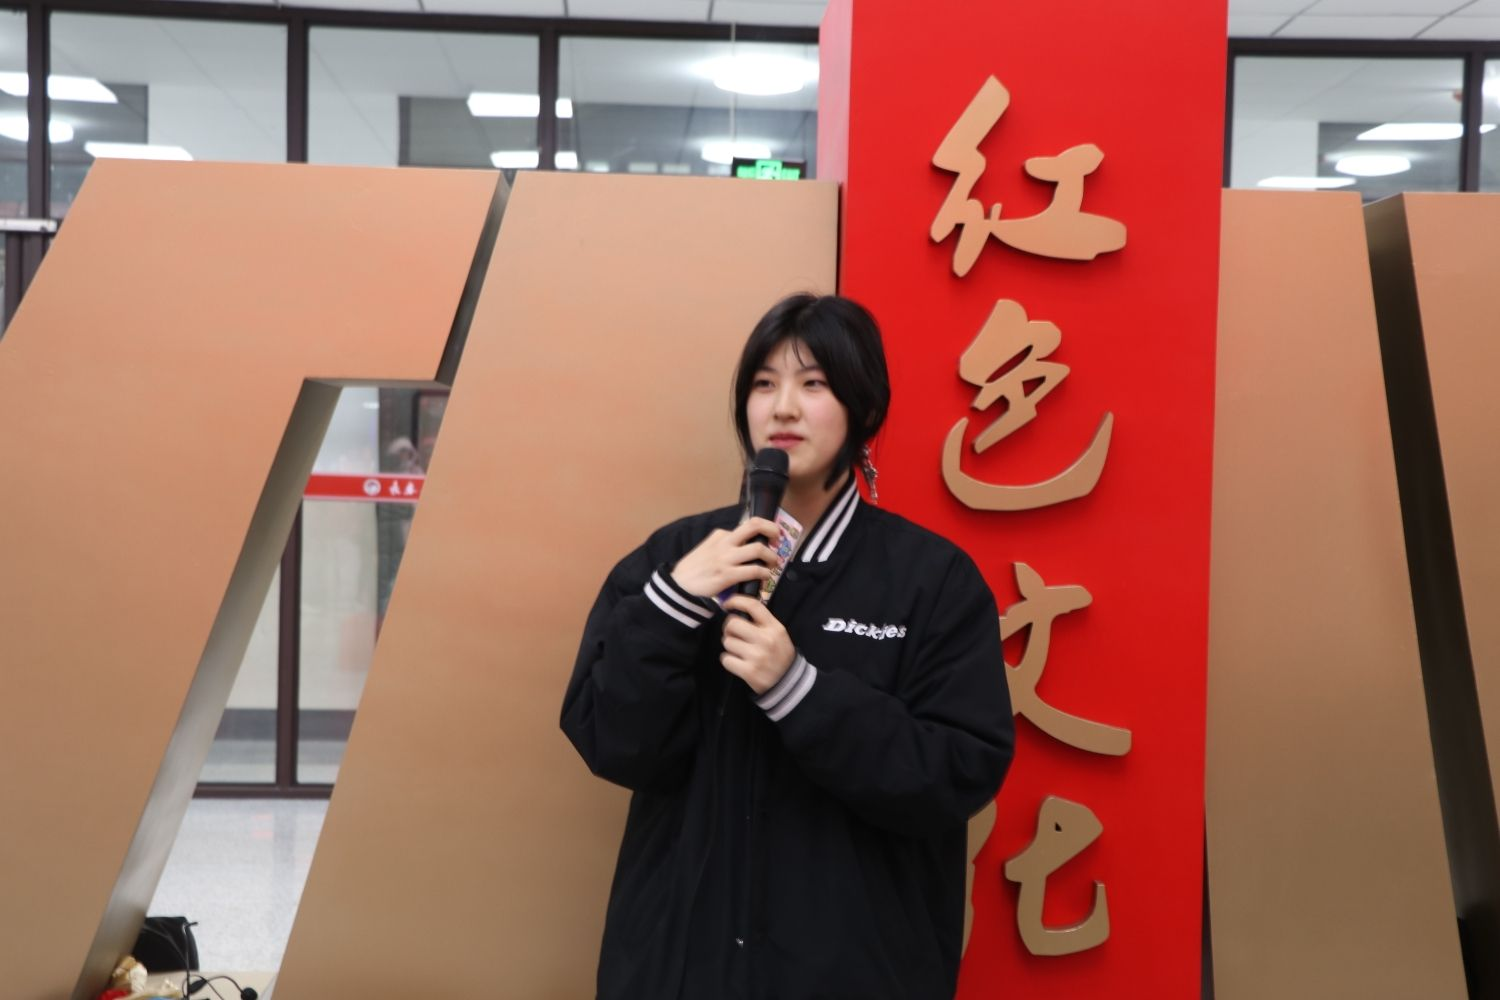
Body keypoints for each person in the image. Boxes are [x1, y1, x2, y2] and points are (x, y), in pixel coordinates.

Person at [560, 293, 1014, 1000]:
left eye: (814, 384)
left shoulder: (932, 580)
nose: (783, 408)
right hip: (680, 970)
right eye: (764, 384)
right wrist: (671, 606)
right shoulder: (675, 558)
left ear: (864, 408)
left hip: (854, 973)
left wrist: (800, 690)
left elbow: (958, 774)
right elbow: (612, 743)